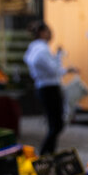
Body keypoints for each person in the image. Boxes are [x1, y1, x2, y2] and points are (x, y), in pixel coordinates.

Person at [24, 21, 76, 155]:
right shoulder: (41, 49)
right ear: (42, 33)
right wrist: (60, 60)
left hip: (44, 87)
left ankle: (49, 153)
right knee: (57, 124)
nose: (51, 34)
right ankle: (45, 153)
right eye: (48, 31)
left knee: (54, 124)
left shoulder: (34, 48)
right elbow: (53, 70)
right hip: (49, 88)